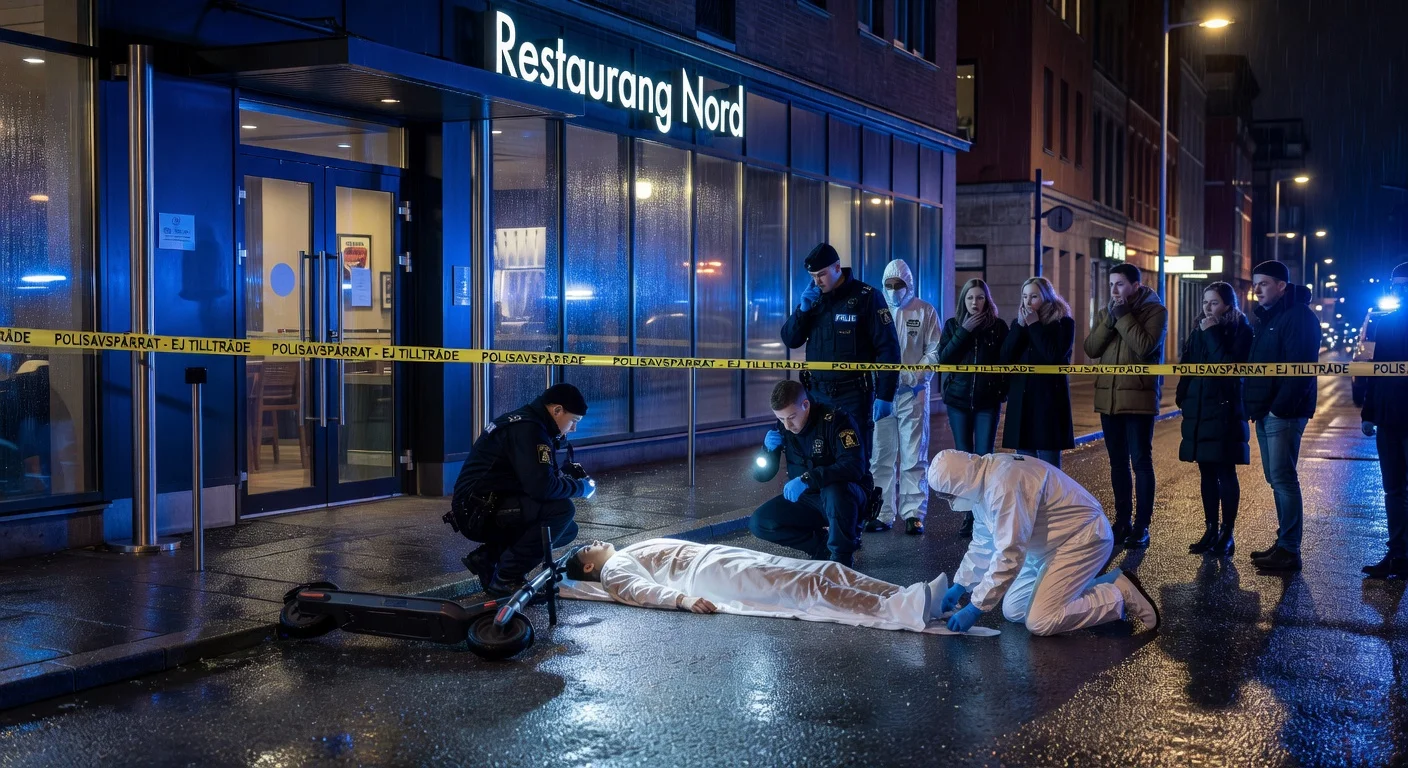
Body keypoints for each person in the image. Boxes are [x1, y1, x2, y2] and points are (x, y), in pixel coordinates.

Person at [926, 450, 1160, 636]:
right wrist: (961, 585)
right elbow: (984, 542)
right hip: (1048, 547)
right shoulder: (982, 484)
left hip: (1082, 538)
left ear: (960, 484)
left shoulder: (1003, 486)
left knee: (1041, 620)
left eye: (948, 496)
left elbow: (1009, 553)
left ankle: (1119, 594)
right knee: (1014, 608)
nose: (950, 502)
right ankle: (1106, 581)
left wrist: (975, 607)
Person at [565, 538, 954, 632]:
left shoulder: (623, 553)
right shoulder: (613, 569)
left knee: (826, 569)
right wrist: (681, 599)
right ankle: (903, 609)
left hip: (715, 558)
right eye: (587, 548)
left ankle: (906, 594)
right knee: (804, 585)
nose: (594, 541)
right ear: (589, 565)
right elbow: (638, 591)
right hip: (705, 574)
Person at [781, 242, 902, 530]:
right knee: (818, 456)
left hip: (853, 394)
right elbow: (790, 339)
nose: (817, 281)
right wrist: (803, 309)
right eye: (813, 276)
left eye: (821, 274)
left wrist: (885, 395)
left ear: (837, 267)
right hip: (816, 394)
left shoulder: (866, 297)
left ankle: (854, 524)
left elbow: (888, 350)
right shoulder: (814, 300)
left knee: (853, 459)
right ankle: (827, 519)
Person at [448, 383, 595, 596]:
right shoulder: (529, 430)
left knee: (566, 529)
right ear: (557, 410)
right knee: (562, 511)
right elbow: (542, 488)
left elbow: (537, 479)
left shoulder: (532, 424)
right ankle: (507, 578)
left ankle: (488, 558)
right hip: (476, 511)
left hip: (484, 504)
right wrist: (581, 488)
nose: (573, 428)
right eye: (574, 421)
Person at [1083, 263, 1168, 550]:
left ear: (1135, 286)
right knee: (1117, 463)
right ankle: (1122, 521)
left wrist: (1122, 316)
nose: (1114, 289)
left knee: (1140, 462)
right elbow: (1091, 349)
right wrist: (1110, 319)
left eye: (1120, 284)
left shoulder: (1155, 311)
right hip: (1108, 400)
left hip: (1138, 400)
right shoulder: (1105, 313)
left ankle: (1142, 525)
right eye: (1111, 284)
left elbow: (1144, 347)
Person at [1244, 260, 1321, 572]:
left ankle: (1290, 549)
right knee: (1275, 478)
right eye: (1255, 284)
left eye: (1264, 283)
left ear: (1281, 286)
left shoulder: (1298, 316)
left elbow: (1300, 370)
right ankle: (1284, 542)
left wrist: (1279, 407)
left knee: (1284, 479)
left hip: (1283, 413)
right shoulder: (1270, 317)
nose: (1257, 289)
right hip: (1267, 410)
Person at [749, 379, 866, 567]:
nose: (787, 425)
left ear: (805, 404)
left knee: (834, 491)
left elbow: (855, 466)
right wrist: (767, 450)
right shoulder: (783, 427)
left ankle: (841, 560)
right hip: (808, 498)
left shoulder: (837, 420)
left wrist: (807, 479)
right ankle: (821, 547)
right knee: (760, 522)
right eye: (781, 419)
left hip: (845, 498)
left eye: (791, 417)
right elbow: (762, 475)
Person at [1175, 282, 1253, 557]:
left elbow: (1227, 365)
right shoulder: (1198, 329)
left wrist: (1212, 333)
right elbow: (1187, 365)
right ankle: (1210, 529)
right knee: (1206, 472)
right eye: (1205, 302)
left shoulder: (1240, 330)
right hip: (1199, 409)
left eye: (1214, 302)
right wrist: (1182, 396)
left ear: (1228, 305)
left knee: (1225, 472)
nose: (1208, 308)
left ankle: (1227, 533)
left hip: (1225, 410)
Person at [869, 259, 942, 535]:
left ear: (908, 284)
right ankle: (880, 512)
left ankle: (914, 513)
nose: (893, 289)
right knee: (881, 456)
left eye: (898, 284)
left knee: (914, 455)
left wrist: (913, 376)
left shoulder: (924, 311)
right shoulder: (877, 311)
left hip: (913, 395)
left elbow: (934, 351)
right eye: (888, 284)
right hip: (882, 396)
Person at [939, 278, 1009, 538]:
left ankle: (985, 515)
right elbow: (944, 358)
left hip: (987, 402)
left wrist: (1001, 392)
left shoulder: (997, 327)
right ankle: (969, 516)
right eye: (970, 297)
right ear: (963, 300)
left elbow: (1006, 362)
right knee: (965, 459)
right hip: (958, 401)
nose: (975, 302)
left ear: (986, 300)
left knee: (984, 458)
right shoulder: (953, 325)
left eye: (980, 297)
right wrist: (964, 331)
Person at [999, 277, 1075, 468]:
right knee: (1025, 468)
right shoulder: (1020, 324)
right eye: (1025, 296)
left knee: (1049, 467)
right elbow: (1005, 356)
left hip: (1048, 402)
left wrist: (1034, 325)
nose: (1028, 302)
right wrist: (1019, 326)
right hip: (1022, 402)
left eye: (1034, 296)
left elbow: (1053, 356)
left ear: (1047, 297)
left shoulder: (1063, 323)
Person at [1362, 264, 1408, 579]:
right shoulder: (1387, 323)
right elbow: (1375, 372)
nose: (1400, 292)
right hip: (1390, 419)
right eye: (1396, 286)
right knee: (1392, 489)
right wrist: (1368, 414)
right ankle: (1398, 554)